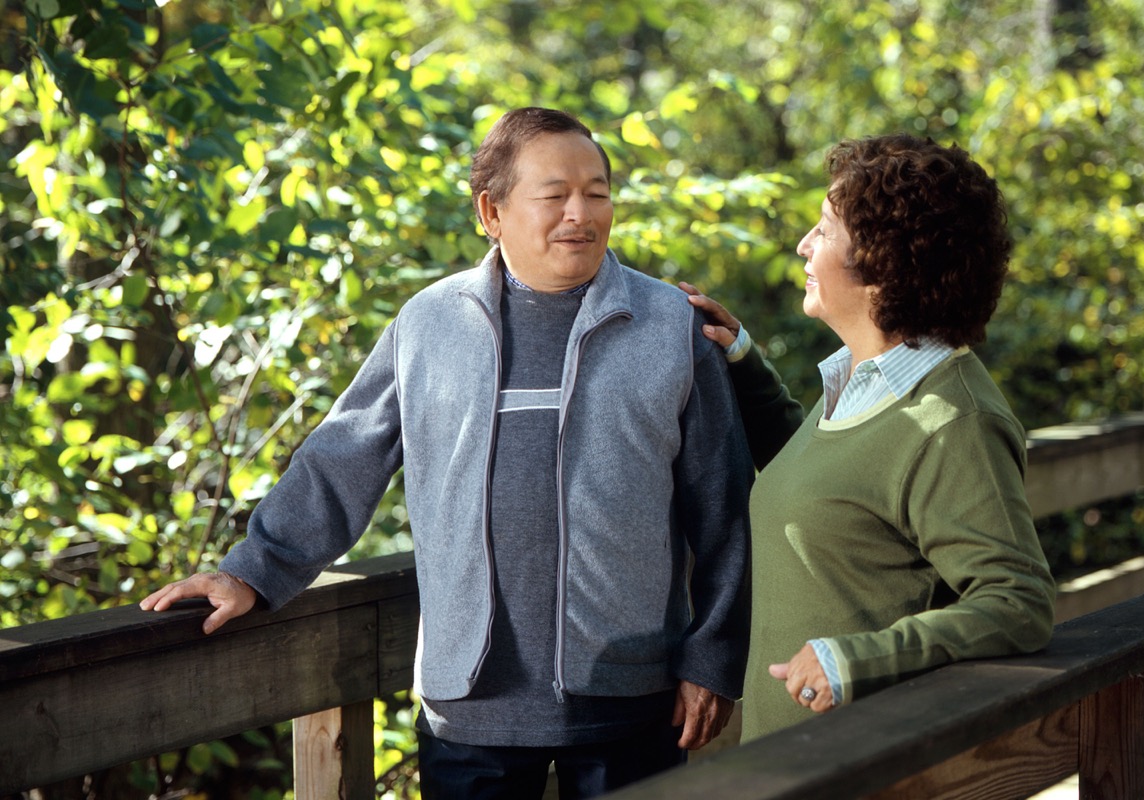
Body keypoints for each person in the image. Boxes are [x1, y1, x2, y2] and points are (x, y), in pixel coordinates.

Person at [141, 107, 754, 797]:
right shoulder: (428, 325)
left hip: (631, 696)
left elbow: (724, 507)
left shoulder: (670, 326)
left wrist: (714, 657)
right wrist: (251, 571)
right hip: (470, 707)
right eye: (554, 195)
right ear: (491, 212)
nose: (580, 213)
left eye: (598, 191)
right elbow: (343, 461)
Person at [683, 133, 1056, 742]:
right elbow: (830, 495)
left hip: (867, 762)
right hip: (790, 763)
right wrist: (744, 363)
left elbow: (1018, 601)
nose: (804, 245)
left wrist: (857, 660)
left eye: (825, 230)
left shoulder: (952, 419)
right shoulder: (861, 378)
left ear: (883, 263)